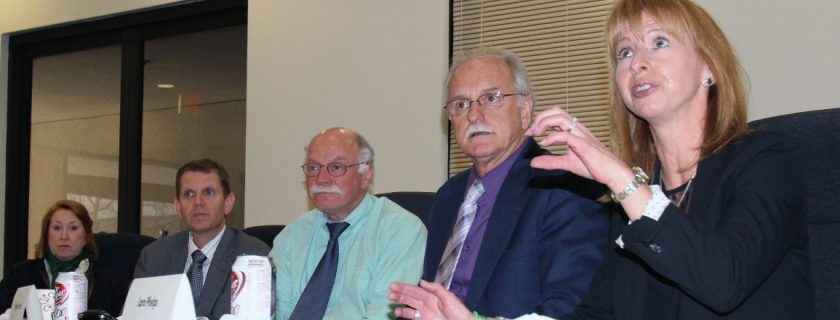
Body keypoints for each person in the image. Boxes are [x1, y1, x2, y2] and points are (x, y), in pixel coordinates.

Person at [390, 0, 814, 319]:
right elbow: (594, 315)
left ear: (710, 67)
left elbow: (724, 280)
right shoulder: (635, 199)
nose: (637, 63)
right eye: (624, 53)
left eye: (659, 43)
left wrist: (622, 180)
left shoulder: (767, 159)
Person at [418, 48, 610, 319]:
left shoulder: (564, 188)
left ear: (525, 110)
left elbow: (570, 308)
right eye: (461, 104)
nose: (474, 115)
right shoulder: (448, 196)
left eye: (491, 98)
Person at [270, 127, 427, 320]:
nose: (321, 179)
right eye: (313, 168)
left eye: (336, 167)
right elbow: (275, 311)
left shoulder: (399, 230)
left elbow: (382, 316)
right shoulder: (292, 235)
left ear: (366, 173)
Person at [134, 158, 269, 320]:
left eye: (208, 192)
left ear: (228, 203)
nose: (198, 202)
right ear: (178, 206)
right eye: (189, 194)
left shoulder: (254, 256)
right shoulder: (154, 258)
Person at [0, 200, 125, 316]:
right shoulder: (20, 275)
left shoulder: (108, 278)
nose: (64, 236)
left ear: (86, 236)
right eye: (57, 228)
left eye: (73, 228)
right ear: (47, 234)